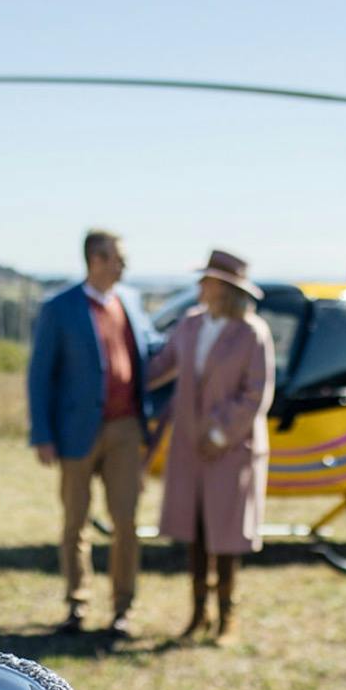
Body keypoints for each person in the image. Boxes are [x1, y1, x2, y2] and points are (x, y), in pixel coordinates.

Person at [26, 229, 158, 637]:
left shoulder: (130, 301)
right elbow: (40, 374)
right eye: (119, 258)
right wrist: (42, 434)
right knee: (75, 523)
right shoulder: (59, 307)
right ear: (96, 260)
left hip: (125, 429)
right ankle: (77, 605)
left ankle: (122, 609)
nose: (125, 266)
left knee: (126, 522)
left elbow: (153, 350)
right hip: (75, 431)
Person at [146, 249, 275, 645]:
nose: (200, 286)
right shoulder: (191, 324)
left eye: (208, 280)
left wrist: (220, 433)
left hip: (231, 449)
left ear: (225, 288)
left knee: (226, 535)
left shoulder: (252, 332)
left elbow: (256, 393)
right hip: (189, 446)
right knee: (197, 531)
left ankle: (226, 616)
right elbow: (160, 366)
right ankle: (198, 613)